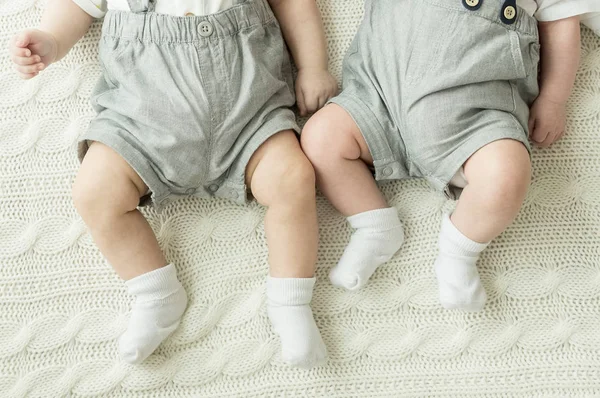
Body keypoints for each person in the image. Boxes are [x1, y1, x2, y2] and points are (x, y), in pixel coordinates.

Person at [9, 0, 338, 366]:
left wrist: (312, 66)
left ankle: (290, 300)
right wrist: (51, 39)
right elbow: (74, 5)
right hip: (140, 125)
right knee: (94, 191)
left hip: (249, 116)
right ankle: (155, 293)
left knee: (293, 179)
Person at [301, 0, 599, 311]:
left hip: (474, 112)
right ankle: (373, 224)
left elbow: (562, 25)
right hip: (378, 99)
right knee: (321, 137)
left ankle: (459, 251)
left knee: (506, 174)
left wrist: (553, 98)